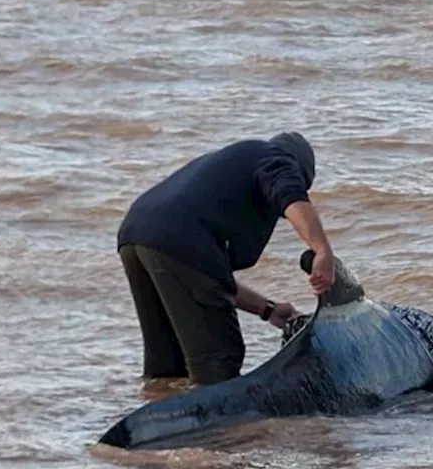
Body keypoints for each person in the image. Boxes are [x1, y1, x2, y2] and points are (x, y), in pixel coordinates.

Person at [116, 132, 337, 386]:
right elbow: (290, 194)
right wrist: (322, 250)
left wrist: (269, 310)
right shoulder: (277, 158)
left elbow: (207, 280)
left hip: (135, 234)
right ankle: (220, 425)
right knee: (218, 361)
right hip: (176, 237)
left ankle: (157, 413)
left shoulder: (227, 176)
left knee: (168, 365)